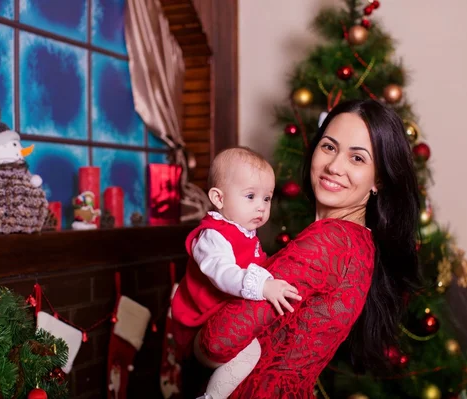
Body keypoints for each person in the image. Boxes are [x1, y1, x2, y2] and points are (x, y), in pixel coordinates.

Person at [191, 99, 421, 398]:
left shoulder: (329, 242)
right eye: (329, 147)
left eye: (357, 158)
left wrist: (193, 339)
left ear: (378, 180)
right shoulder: (359, 242)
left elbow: (216, 343)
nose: (334, 166)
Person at [171, 147, 302, 399]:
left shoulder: (244, 232)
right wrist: (262, 286)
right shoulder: (212, 236)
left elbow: (260, 264)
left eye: (267, 198)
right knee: (250, 352)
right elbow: (223, 274)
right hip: (201, 320)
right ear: (218, 199)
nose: (261, 207)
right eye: (251, 196)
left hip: (226, 313)